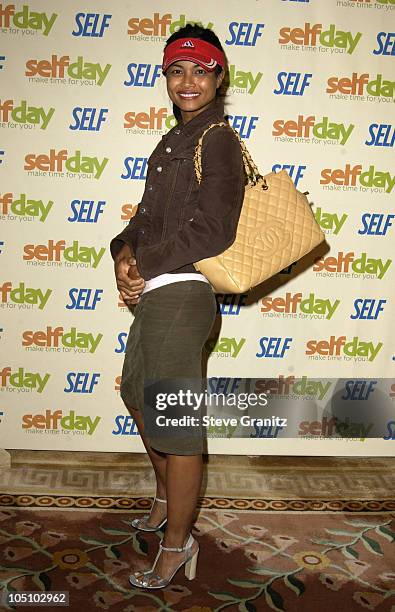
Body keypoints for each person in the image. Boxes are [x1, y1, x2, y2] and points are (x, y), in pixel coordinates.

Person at [111, 24, 245, 589]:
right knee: (136, 395)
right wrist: (121, 252)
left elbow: (213, 230)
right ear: (166, 76)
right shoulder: (171, 141)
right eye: (176, 70)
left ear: (219, 76)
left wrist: (149, 262)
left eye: (201, 69)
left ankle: (177, 546)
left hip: (185, 294)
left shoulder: (217, 139)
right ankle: (168, 499)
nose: (187, 81)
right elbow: (143, 220)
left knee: (176, 425)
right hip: (158, 295)